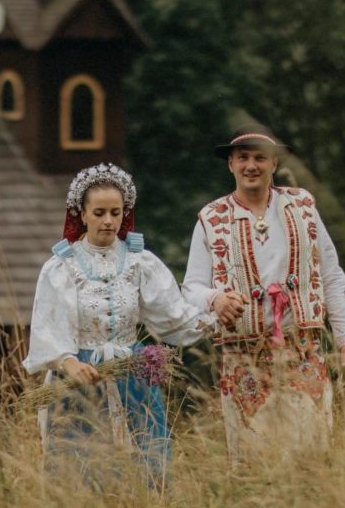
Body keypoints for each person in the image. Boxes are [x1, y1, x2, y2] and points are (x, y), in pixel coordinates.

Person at [24, 163, 216, 489]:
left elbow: (172, 315)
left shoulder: (140, 261)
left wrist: (213, 316)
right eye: (99, 212)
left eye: (115, 212)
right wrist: (68, 362)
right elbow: (48, 326)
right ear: (81, 214)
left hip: (132, 375)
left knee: (147, 462)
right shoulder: (62, 266)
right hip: (81, 380)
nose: (109, 221)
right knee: (82, 468)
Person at [182, 127, 345, 460]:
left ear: (274, 163)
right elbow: (190, 288)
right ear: (231, 165)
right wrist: (215, 300)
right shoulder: (211, 219)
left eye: (260, 158)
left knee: (311, 456)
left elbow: (331, 274)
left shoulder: (303, 207)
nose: (252, 166)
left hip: (302, 351)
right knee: (254, 460)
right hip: (243, 360)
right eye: (243, 158)